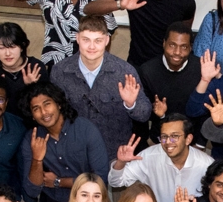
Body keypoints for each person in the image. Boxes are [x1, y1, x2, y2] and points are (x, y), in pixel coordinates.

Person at [50, 15, 152, 161]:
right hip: (74, 153)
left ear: (107, 40)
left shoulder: (124, 71)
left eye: (98, 41)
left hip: (114, 155)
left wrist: (131, 104)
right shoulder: (60, 72)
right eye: (86, 40)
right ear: (77, 38)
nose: (92, 47)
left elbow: (144, 114)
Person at [17, 82, 111, 202]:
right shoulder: (32, 139)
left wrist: (59, 182)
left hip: (91, 201)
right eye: (36, 108)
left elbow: (101, 178)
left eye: (47, 104)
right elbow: (32, 190)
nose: (44, 112)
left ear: (59, 104)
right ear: (32, 115)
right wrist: (37, 159)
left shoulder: (86, 129)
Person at [110, 114, 214, 202]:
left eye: (174, 136)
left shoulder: (206, 164)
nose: (168, 142)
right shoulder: (148, 157)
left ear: (188, 139)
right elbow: (116, 182)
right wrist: (121, 162)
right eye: (164, 137)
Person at [137, 22, 204, 144]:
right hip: (159, 137)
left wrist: (200, 144)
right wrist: (158, 114)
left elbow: (204, 112)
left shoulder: (201, 69)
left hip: (192, 140)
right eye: (172, 45)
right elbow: (144, 113)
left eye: (184, 47)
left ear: (190, 48)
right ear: (164, 43)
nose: (177, 52)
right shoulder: (147, 71)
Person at [0, 22, 47, 112]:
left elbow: (44, 105)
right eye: (2, 48)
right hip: (3, 122)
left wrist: (31, 87)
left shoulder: (35, 67)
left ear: (22, 47)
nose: (7, 53)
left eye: (12, 47)